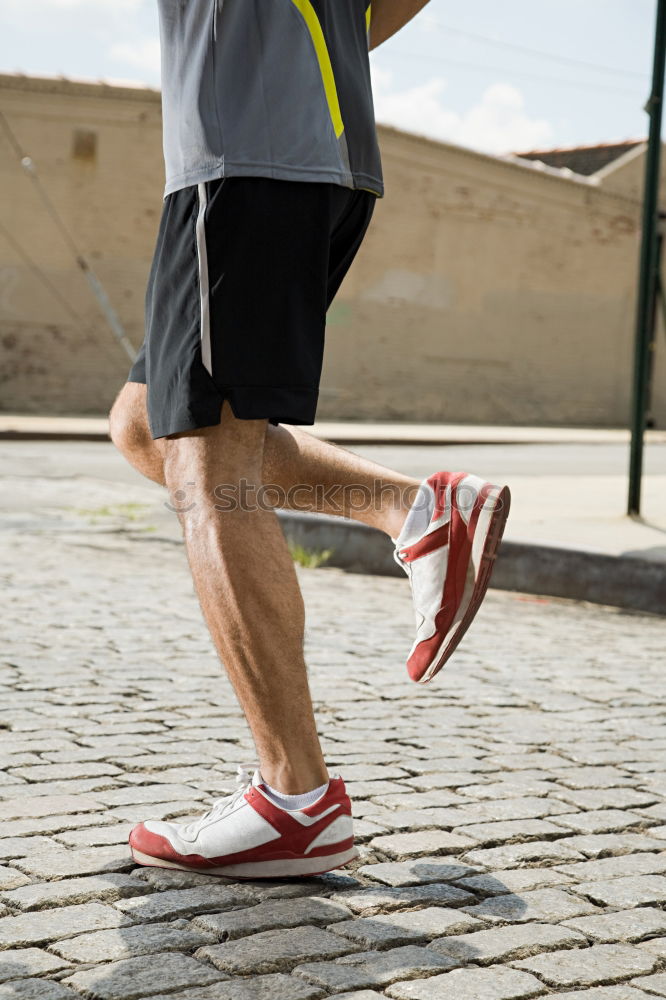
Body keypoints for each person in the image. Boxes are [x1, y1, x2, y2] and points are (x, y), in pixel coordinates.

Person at [109, 0, 510, 879]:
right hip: (306, 156)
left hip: (247, 156)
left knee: (209, 468)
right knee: (147, 424)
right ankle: (418, 509)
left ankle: (296, 801)